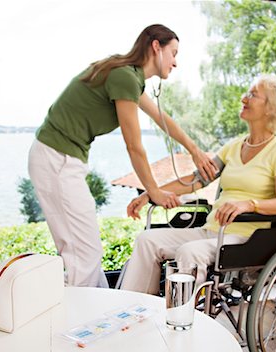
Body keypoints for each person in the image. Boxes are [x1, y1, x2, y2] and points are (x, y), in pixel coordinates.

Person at [28, 24, 217, 288]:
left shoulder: (128, 76)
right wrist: (154, 191)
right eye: (173, 53)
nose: (175, 62)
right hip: (57, 158)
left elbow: (164, 121)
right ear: (156, 47)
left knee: (85, 249)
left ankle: (95, 313)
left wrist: (195, 151)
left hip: (60, 157)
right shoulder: (125, 77)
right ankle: (79, 318)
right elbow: (134, 146)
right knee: (83, 251)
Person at [120, 74, 276, 294]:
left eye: (253, 95)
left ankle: (183, 321)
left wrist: (248, 204)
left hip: (245, 238)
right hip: (211, 230)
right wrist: (151, 193)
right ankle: (137, 311)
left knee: (189, 252)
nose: (244, 99)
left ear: (271, 108)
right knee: (146, 240)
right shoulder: (233, 147)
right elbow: (195, 181)